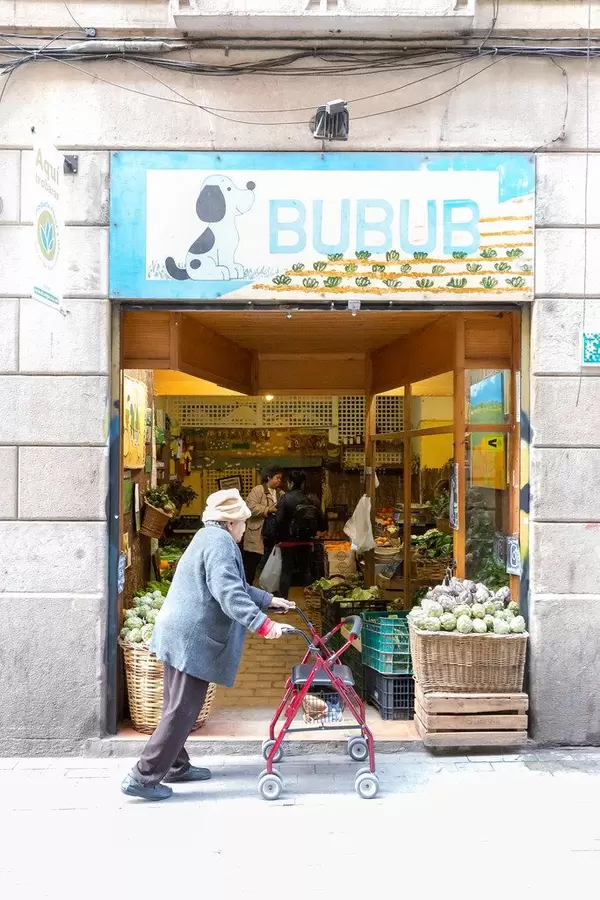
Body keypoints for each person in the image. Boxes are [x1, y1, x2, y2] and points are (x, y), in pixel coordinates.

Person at [121, 488, 294, 801]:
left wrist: (269, 600)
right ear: (230, 522)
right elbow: (229, 594)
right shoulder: (220, 544)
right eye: (242, 522)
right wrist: (264, 625)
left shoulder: (208, 537)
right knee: (183, 709)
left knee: (178, 706)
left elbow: (234, 585)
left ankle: (175, 764)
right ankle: (143, 776)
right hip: (191, 638)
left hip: (180, 633)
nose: (244, 528)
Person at [275, 470, 327, 600]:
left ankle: (283, 602)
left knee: (286, 571)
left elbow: (279, 520)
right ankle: (312, 600)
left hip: (288, 540)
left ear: (290, 482)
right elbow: (322, 522)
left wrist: (277, 537)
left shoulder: (285, 498)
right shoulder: (312, 498)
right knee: (306, 570)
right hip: (307, 540)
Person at [242, 466, 284, 585]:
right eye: (277, 478)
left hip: (272, 536)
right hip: (257, 534)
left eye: (281, 479)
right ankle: (247, 591)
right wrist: (269, 510)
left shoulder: (281, 493)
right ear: (269, 477)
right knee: (251, 566)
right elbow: (250, 508)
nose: (279, 481)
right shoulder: (258, 490)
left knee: (271, 567)